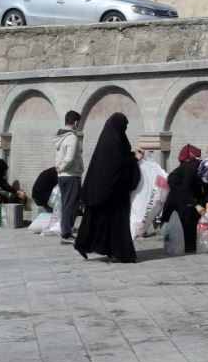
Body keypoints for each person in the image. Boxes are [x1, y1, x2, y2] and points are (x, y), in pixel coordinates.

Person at [74, 113, 143, 263]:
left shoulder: (110, 138)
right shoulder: (114, 140)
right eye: (123, 126)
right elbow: (116, 166)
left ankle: (83, 244)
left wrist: (131, 156)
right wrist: (134, 160)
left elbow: (118, 158)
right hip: (112, 192)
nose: (124, 129)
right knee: (115, 221)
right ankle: (123, 253)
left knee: (97, 220)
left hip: (102, 190)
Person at [161, 144, 208, 252]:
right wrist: (196, 205)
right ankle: (187, 244)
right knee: (187, 212)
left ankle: (195, 241)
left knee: (198, 212)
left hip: (192, 189)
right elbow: (185, 189)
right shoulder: (191, 169)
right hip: (178, 189)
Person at [53, 110, 85, 245]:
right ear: (76, 122)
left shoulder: (60, 137)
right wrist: (63, 166)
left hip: (63, 176)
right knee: (70, 205)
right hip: (71, 175)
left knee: (67, 204)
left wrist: (59, 167)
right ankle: (66, 234)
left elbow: (60, 156)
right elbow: (70, 157)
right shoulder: (72, 137)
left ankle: (66, 232)